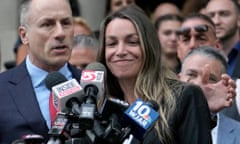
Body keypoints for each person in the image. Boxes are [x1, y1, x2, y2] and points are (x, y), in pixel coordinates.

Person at [97, 5, 212, 144]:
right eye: (112, 43)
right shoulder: (102, 110)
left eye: (132, 42)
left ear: (149, 46)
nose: (120, 51)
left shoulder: (184, 97)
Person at [0, 0, 81, 143]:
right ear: (24, 35)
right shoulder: (3, 89)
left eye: (66, 23)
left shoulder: (92, 86)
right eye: (47, 24)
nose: (60, 33)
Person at [178, 46, 240, 144]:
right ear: (178, 79)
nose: (198, 84)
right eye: (192, 75)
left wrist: (208, 115)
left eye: (211, 78)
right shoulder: (156, 123)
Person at [205, 0, 240, 79]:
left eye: (224, 14)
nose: (216, 21)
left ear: (239, 20)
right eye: (211, 16)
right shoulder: (201, 55)